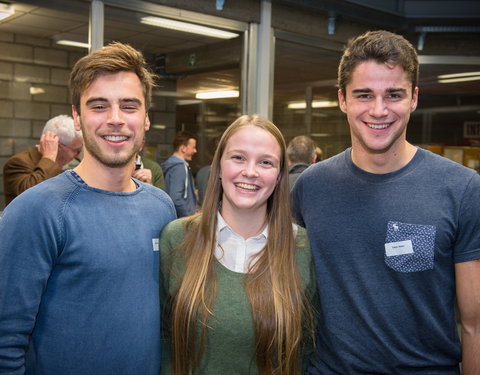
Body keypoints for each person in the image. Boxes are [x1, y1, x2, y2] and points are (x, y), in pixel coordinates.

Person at [291, 30, 480, 375]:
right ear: (343, 100)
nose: (379, 110)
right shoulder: (310, 187)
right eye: (364, 95)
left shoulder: (463, 189)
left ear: (414, 98)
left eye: (394, 94)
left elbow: (474, 326)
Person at [0, 42, 176, 375]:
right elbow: (5, 344)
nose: (115, 119)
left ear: (146, 118)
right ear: (77, 118)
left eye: (129, 106)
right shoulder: (36, 211)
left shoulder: (161, 208)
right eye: (98, 106)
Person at [160, 115, 316, 375]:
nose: (250, 171)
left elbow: (308, 351)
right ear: (219, 167)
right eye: (238, 158)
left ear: (279, 176)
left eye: (266, 162)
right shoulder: (177, 239)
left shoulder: (302, 248)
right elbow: (164, 338)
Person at [3, 114, 83, 206]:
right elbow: (31, 196)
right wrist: (49, 157)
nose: (77, 156)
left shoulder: (66, 167)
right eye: (76, 150)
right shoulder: (17, 162)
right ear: (57, 145)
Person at [162, 131, 197, 217]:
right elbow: (176, 198)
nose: (195, 151)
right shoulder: (180, 167)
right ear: (183, 148)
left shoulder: (171, 166)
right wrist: (189, 218)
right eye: (193, 147)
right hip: (182, 221)